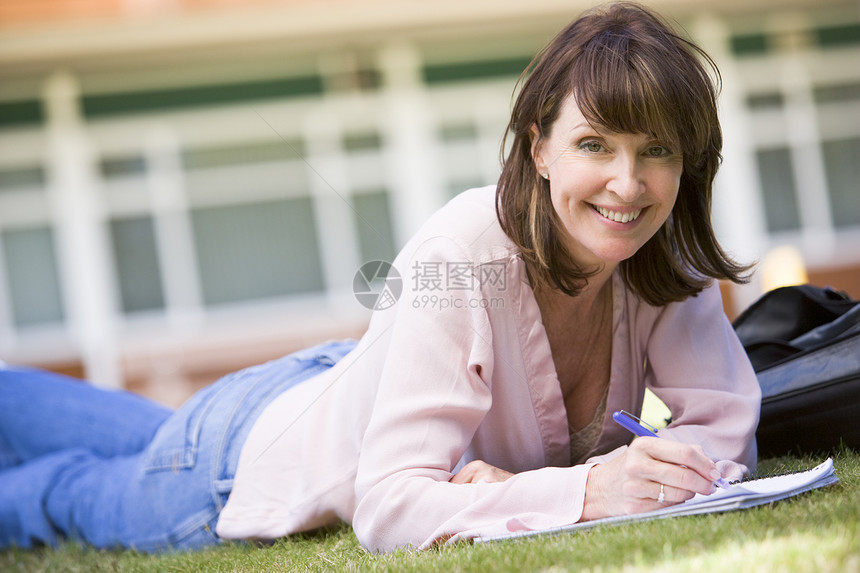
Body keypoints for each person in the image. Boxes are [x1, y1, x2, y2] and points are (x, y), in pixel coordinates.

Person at [0, 2, 761, 554]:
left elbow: (724, 445)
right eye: (595, 144)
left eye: (655, 150)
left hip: (351, 382)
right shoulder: (463, 247)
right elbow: (389, 507)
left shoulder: (666, 259)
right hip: (251, 457)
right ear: (539, 148)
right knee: (67, 489)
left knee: (125, 437)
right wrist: (589, 489)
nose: (627, 185)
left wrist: (509, 489)